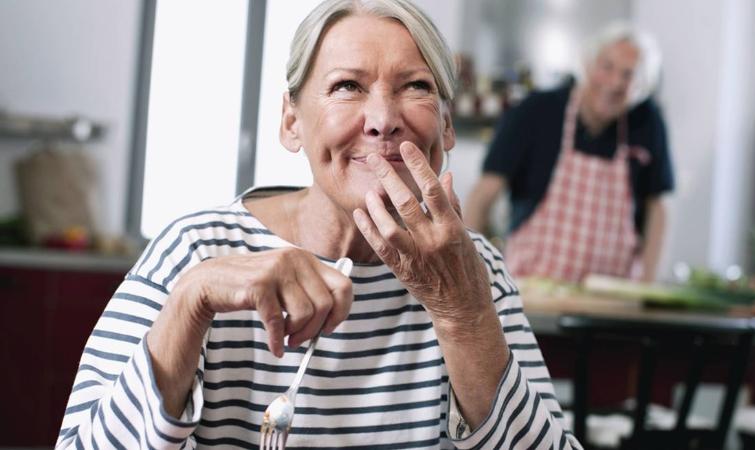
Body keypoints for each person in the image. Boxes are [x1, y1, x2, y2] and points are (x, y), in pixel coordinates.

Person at [56, 1, 581, 449]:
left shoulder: (474, 268)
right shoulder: (195, 250)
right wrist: (190, 301)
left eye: (415, 86)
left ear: (444, 125)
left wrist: (463, 315)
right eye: (347, 86)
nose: (382, 118)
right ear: (291, 121)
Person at [465, 23, 675, 283]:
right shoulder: (535, 110)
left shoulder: (647, 121)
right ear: (587, 64)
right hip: (531, 292)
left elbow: (658, 208)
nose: (614, 83)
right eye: (607, 67)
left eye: (628, 75)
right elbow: (483, 195)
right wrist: (470, 276)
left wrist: (648, 283)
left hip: (614, 297)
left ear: (641, 85)